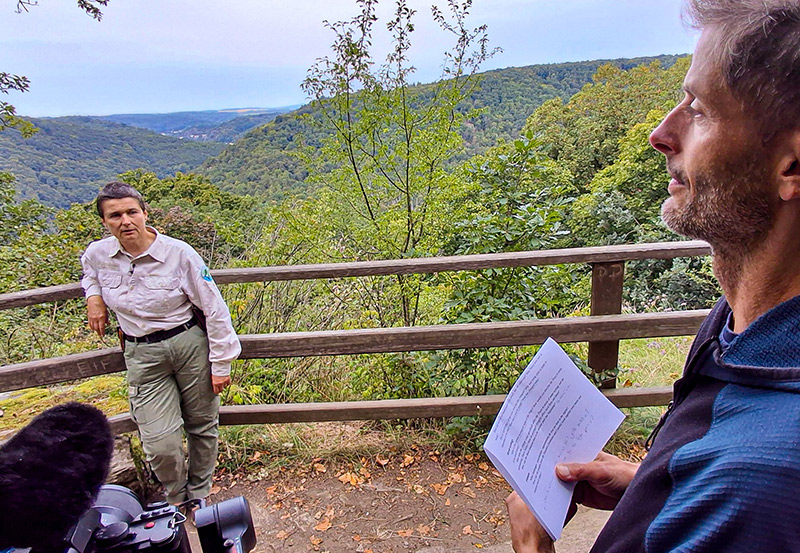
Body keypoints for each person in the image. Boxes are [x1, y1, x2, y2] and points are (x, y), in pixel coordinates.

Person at [506, 0, 800, 551]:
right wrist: (655, 485)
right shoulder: (741, 330)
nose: (661, 133)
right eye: (681, 99)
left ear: (793, 167)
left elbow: (743, 491)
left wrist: (533, 547)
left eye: (702, 110)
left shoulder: (753, 485)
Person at [80, 181, 241, 508]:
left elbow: (214, 307)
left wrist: (221, 363)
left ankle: (198, 494)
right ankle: (175, 495)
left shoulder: (178, 253)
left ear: (144, 213)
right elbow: (90, 272)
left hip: (188, 345)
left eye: (131, 212)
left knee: (202, 425)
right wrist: (94, 297)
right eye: (115, 215)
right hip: (141, 353)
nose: (125, 221)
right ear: (104, 222)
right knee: (159, 441)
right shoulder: (99, 254)